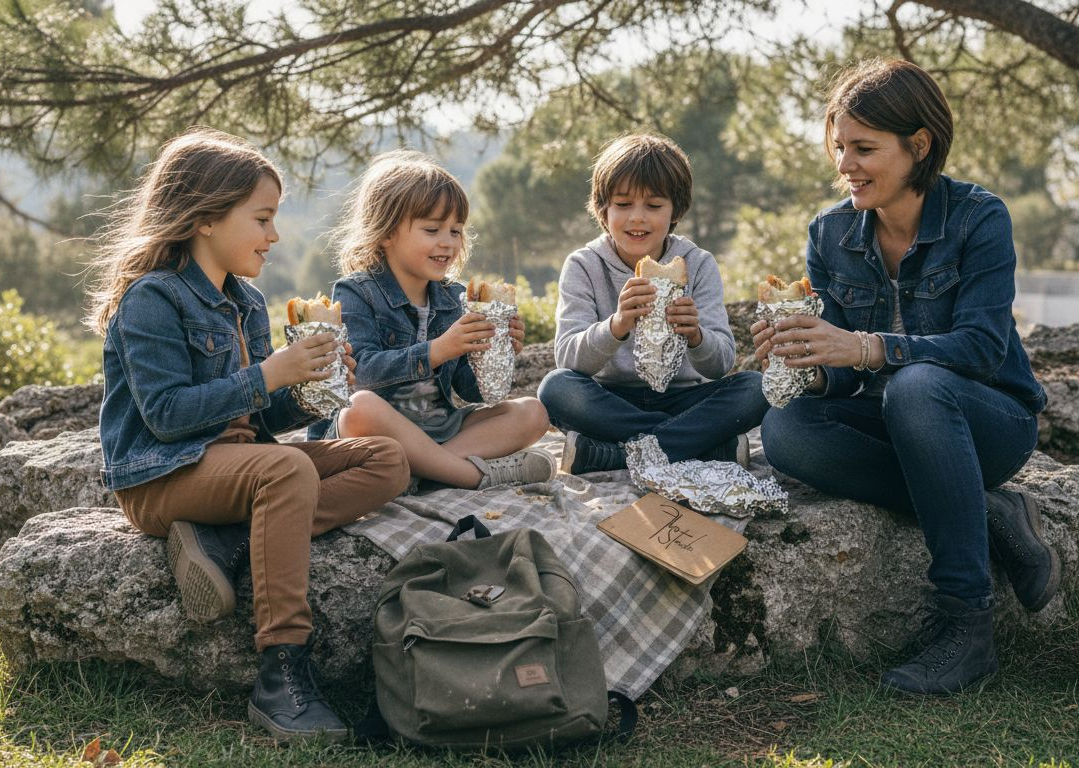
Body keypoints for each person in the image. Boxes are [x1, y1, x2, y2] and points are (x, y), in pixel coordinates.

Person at [89, 127, 411, 742]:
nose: (274, 236)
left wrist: (308, 389)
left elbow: (262, 424)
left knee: (387, 459)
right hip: (163, 476)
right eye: (262, 219)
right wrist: (269, 373)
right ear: (206, 217)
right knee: (286, 470)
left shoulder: (246, 299)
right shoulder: (152, 299)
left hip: (236, 472)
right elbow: (165, 415)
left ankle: (232, 543)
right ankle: (281, 671)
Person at [751, 60, 1059, 694]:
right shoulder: (829, 233)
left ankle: (969, 627)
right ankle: (989, 512)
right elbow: (839, 374)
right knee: (784, 429)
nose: (846, 165)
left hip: (988, 420)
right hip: (899, 422)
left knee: (917, 384)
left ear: (918, 146)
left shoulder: (980, 219)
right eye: (840, 147)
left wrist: (863, 348)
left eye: (864, 149)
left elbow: (978, 348)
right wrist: (802, 358)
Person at [307, 150, 555, 490]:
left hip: (440, 431)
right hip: (377, 433)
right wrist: (437, 350)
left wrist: (496, 353)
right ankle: (468, 475)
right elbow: (360, 375)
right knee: (360, 407)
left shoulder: (456, 297)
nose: (447, 242)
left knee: (533, 412)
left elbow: (468, 390)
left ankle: (422, 473)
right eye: (432, 229)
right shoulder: (356, 293)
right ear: (386, 233)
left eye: (455, 230)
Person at [538, 133, 767, 473]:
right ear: (603, 209)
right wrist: (615, 326)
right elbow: (568, 357)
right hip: (612, 399)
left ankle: (613, 455)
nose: (637, 218)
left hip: (685, 400)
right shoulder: (584, 265)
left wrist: (696, 337)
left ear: (676, 210)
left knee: (756, 388)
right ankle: (699, 447)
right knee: (556, 389)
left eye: (654, 206)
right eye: (623, 204)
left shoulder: (698, 263)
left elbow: (720, 364)